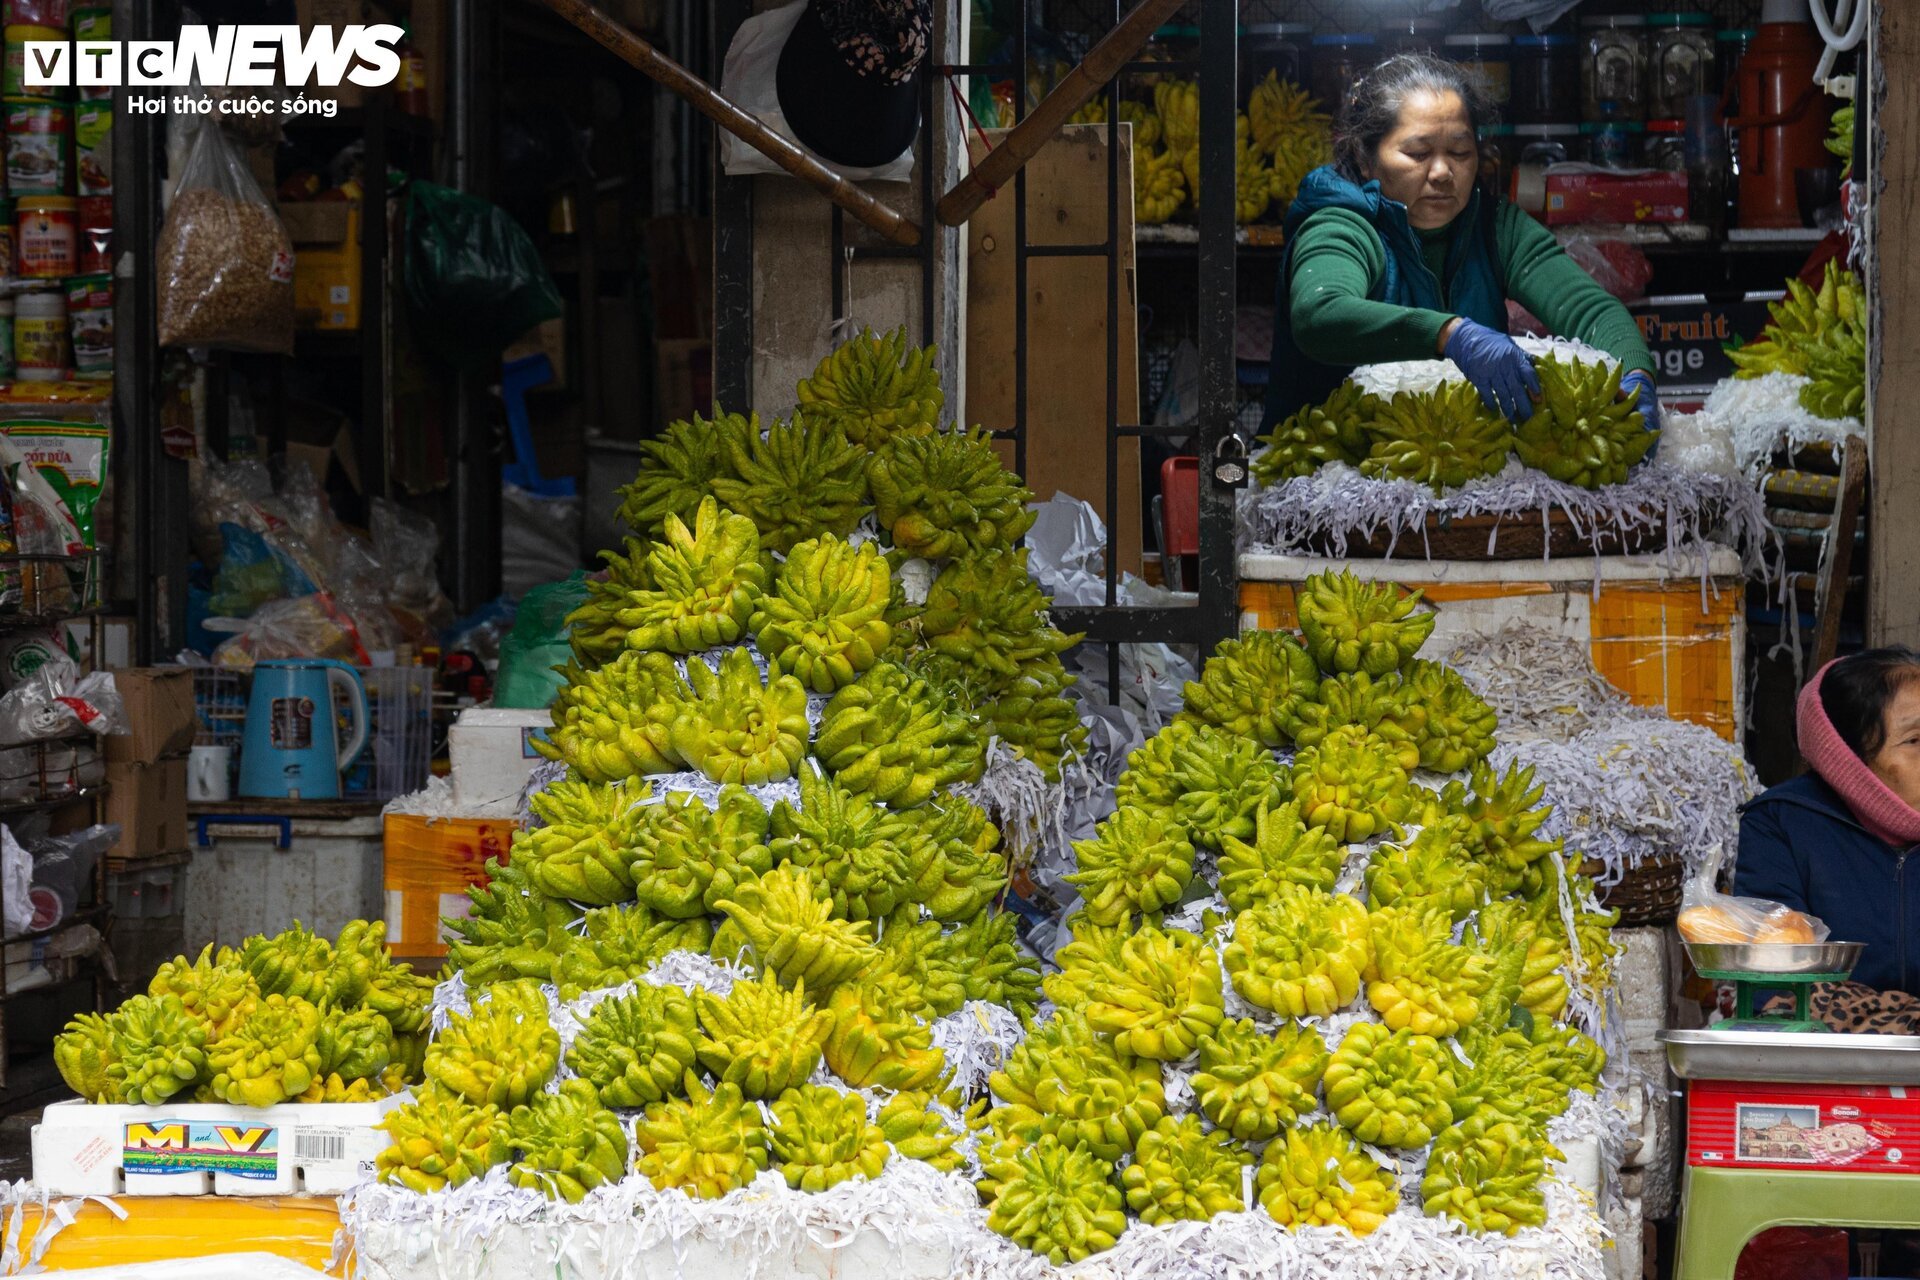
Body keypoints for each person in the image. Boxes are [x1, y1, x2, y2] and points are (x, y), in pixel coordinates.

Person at [1263, 53, 1661, 437]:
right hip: (1325, 467)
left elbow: (1591, 310)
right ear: (1365, 158)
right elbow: (1320, 313)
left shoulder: (1494, 227)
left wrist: (1636, 375)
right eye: (1418, 153)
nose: (1442, 172)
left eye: (1460, 152)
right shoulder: (1342, 224)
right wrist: (1449, 335)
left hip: (1456, 458)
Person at [1735, 648, 1920, 1031]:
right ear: (1849, 758)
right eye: (1915, 740)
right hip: (1827, 1058)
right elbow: (1777, 992)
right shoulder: (1781, 823)